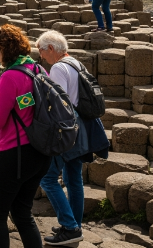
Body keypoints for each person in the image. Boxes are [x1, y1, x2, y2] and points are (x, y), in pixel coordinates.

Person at [0, 24, 51, 248]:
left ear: (4, 49)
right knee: (22, 213)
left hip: (15, 156)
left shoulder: (10, 76)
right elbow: (26, 105)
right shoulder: (37, 70)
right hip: (39, 154)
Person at [35, 31, 108, 246]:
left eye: (41, 51)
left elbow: (58, 105)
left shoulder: (58, 68)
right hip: (83, 127)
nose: (40, 57)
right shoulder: (75, 62)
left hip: (67, 131)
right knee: (73, 178)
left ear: (50, 48)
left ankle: (69, 226)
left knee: (47, 178)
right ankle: (75, 224)